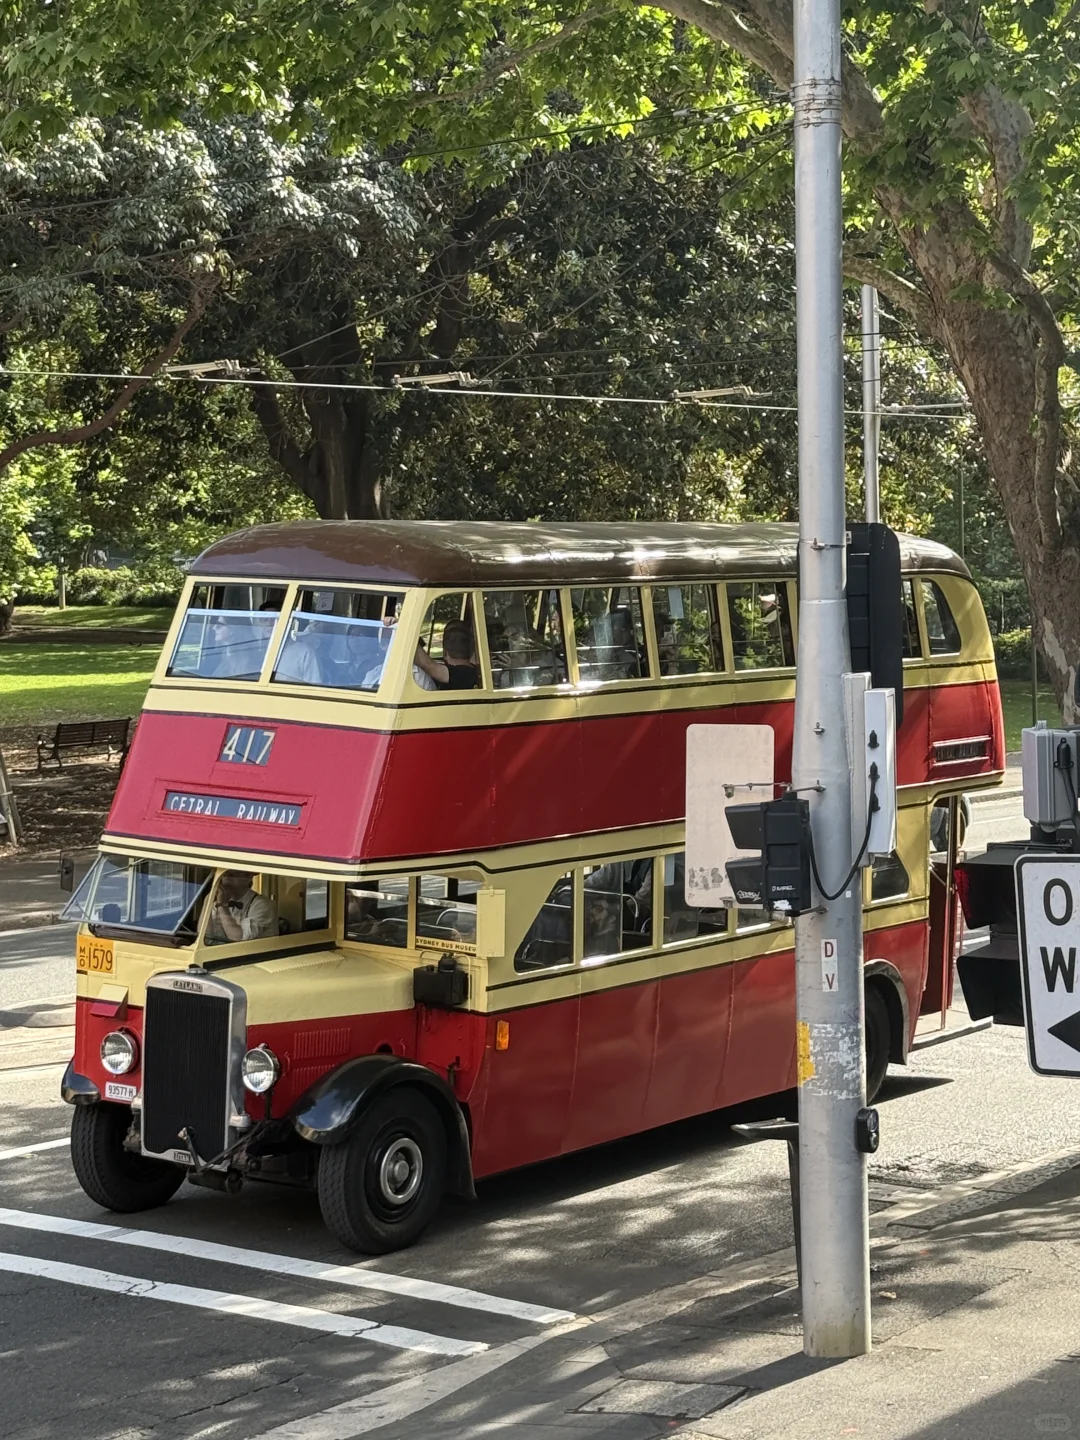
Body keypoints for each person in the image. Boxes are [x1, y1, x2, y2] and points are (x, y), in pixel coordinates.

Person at [205, 871, 278, 944]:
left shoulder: (263, 904)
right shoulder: (220, 901)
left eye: (232, 874)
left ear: (248, 877)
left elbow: (239, 940)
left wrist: (222, 906)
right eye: (224, 874)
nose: (226, 878)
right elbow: (206, 938)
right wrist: (207, 904)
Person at [414, 619, 479, 690]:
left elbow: (428, 665)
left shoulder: (462, 675)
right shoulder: (476, 673)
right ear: (471, 650)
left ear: (445, 652)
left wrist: (410, 638)